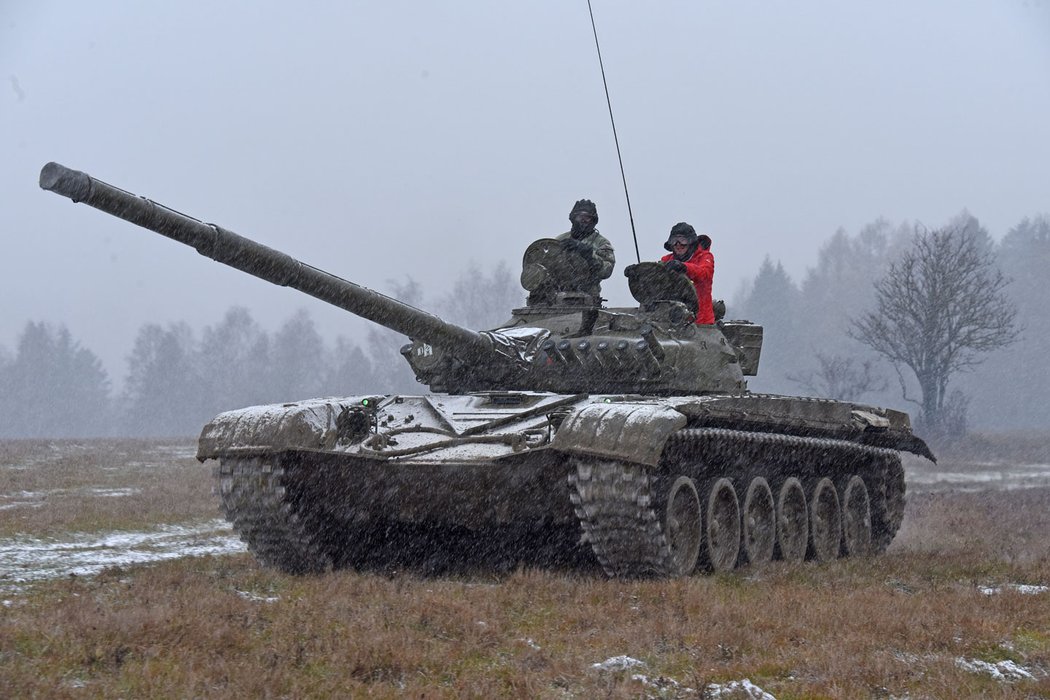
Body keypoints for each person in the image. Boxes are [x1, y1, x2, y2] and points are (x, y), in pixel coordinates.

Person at [556, 199, 615, 297]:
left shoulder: (601, 243)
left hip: (588, 297)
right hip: (559, 296)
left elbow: (606, 271)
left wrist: (589, 255)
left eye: (587, 217)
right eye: (580, 216)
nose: (583, 220)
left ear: (593, 220)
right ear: (574, 218)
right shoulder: (561, 240)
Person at [661, 222, 715, 324]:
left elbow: (704, 273)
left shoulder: (705, 257)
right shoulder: (667, 260)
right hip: (671, 321)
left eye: (682, 240)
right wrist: (639, 273)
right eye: (674, 240)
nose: (678, 244)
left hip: (701, 324)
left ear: (691, 242)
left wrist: (684, 267)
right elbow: (657, 278)